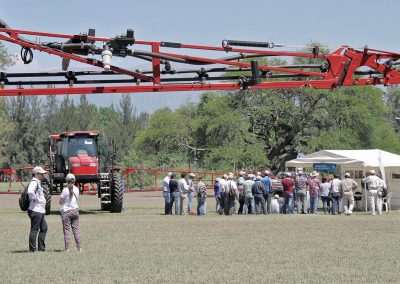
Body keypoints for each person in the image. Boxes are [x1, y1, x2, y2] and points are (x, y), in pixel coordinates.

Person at [59, 173, 82, 252]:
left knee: (67, 230)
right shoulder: (77, 189)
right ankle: (79, 248)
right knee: (76, 230)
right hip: (75, 210)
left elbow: (61, 202)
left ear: (66, 180)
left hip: (66, 211)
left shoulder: (65, 190)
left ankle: (67, 248)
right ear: (74, 180)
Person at [27, 166, 48, 252]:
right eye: (42, 173)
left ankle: (41, 248)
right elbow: (30, 191)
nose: (43, 175)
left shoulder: (38, 182)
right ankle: (32, 249)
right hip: (36, 210)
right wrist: (35, 199)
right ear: (37, 174)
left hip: (39, 210)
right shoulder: (34, 182)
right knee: (34, 229)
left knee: (44, 228)